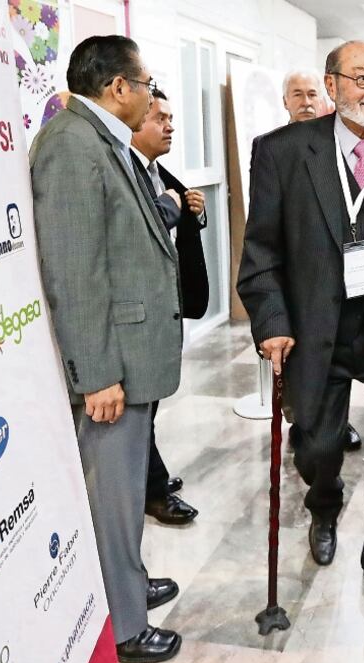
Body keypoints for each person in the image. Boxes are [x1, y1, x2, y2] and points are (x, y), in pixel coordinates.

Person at [238, 40, 364, 620]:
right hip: (314, 328)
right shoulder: (280, 152)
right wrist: (271, 322)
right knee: (318, 445)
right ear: (332, 86)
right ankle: (324, 501)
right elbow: (261, 251)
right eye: (362, 77)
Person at [30, 35, 183, 663]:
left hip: (130, 355)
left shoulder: (98, 141)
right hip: (109, 364)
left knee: (122, 493)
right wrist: (96, 376)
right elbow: (74, 270)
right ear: (117, 87)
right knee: (112, 495)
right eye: (145, 83)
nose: (150, 95)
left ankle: (128, 582)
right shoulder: (71, 148)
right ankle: (125, 625)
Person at [249, 69, 363, 453]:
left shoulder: (345, 144)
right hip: (295, 276)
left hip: (343, 275)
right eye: (296, 94)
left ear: (326, 97)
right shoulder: (269, 147)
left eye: (312, 93)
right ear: (285, 102)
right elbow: (263, 224)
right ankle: (302, 420)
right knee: (301, 358)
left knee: (336, 354)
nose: (306, 101)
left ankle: (334, 420)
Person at [129, 89, 205, 527]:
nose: (170, 126)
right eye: (160, 118)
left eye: (172, 118)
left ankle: (148, 474)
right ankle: (152, 491)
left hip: (167, 308)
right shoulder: (128, 173)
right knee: (142, 410)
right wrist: (172, 210)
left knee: (151, 406)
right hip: (142, 313)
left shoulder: (161, 173)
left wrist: (193, 210)